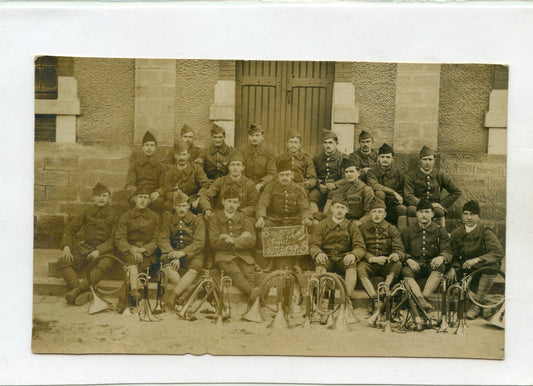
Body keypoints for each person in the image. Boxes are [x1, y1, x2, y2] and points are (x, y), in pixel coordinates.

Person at [57, 183, 118, 305]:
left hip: (106, 250)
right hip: (86, 247)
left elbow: (115, 239)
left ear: (109, 198)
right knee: (64, 261)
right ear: (93, 198)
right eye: (98, 196)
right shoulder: (87, 211)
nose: (101, 198)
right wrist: (67, 246)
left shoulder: (115, 214)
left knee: (104, 265)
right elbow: (71, 228)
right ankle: (80, 291)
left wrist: (99, 251)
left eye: (104, 196)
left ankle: (77, 291)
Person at [447, 200, 504, 319]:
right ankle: (486, 301)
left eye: (472, 214)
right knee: (455, 290)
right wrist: (453, 268)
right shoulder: (457, 233)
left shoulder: (485, 232)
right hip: (465, 270)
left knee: (493, 266)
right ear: (462, 216)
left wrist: (477, 259)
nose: (469, 217)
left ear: (478, 217)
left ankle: (476, 307)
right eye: (466, 214)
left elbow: (498, 252)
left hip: (482, 269)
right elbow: (453, 254)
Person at [255, 159, 313, 269]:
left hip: (293, 219)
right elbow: (262, 203)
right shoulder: (270, 187)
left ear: (292, 175)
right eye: (281, 175)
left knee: (308, 227)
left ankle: (297, 261)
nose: (284, 178)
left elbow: (305, 206)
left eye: (287, 175)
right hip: (275, 219)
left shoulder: (298, 189)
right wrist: (261, 217)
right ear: (277, 176)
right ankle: (270, 260)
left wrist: (306, 218)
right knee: (263, 226)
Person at [400, 199, 452, 311]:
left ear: (432, 214)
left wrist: (441, 257)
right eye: (421, 212)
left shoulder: (440, 231)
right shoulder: (408, 231)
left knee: (441, 266)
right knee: (405, 270)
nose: (424, 215)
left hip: (431, 264)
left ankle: (423, 298)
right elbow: (400, 250)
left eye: (427, 212)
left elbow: (447, 250)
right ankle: (421, 300)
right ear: (416, 214)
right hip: (414, 264)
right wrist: (408, 259)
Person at [209, 189, 259, 304]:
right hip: (224, 257)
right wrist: (242, 239)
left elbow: (252, 241)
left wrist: (233, 240)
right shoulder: (215, 219)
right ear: (223, 202)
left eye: (235, 202)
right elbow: (214, 242)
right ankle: (257, 297)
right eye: (229, 201)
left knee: (250, 276)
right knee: (237, 276)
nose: (232, 205)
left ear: (239, 204)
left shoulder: (244, 219)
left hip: (244, 257)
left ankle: (252, 308)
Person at [158, 191, 205, 311]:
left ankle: (173, 296)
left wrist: (183, 253)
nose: (182, 209)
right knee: (163, 260)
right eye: (179, 206)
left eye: (184, 205)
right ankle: (188, 292)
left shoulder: (197, 220)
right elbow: (163, 238)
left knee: (197, 264)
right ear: (174, 207)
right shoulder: (168, 220)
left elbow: (199, 242)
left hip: (192, 254)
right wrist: (173, 255)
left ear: (189, 206)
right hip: (173, 253)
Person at [115, 186, 161, 309]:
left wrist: (143, 250)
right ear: (135, 199)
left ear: (149, 201)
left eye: (145, 198)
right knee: (132, 263)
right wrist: (132, 249)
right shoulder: (126, 216)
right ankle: (133, 296)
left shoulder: (155, 217)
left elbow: (157, 239)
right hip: (129, 252)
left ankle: (124, 300)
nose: (142, 200)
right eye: (140, 197)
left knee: (141, 269)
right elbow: (120, 238)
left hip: (147, 253)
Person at [310, 198, 366, 298]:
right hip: (327, 257)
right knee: (320, 262)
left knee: (351, 263)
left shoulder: (352, 227)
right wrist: (318, 253)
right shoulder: (322, 225)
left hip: (343, 259)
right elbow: (314, 244)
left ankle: (346, 299)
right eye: (337, 207)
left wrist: (353, 255)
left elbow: (360, 246)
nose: (340, 210)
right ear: (331, 208)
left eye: (343, 208)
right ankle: (321, 297)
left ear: (347, 210)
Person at [357, 199, 404, 313]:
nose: (377, 215)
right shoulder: (362, 229)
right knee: (360, 268)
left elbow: (399, 249)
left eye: (380, 212)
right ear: (369, 214)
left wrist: (396, 254)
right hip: (369, 263)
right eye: (374, 212)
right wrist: (372, 258)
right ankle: (375, 300)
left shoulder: (392, 229)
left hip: (386, 264)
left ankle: (383, 293)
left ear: (385, 214)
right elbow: (359, 248)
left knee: (398, 264)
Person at [404, 145, 462, 228]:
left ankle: (440, 235)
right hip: (417, 205)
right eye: (424, 159)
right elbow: (408, 196)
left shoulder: (439, 175)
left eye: (430, 159)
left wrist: (441, 204)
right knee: (412, 210)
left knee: (438, 212)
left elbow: (456, 191)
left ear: (434, 160)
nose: (427, 162)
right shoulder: (411, 176)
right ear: (420, 161)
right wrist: (426, 204)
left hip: (435, 206)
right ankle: (413, 235)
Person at [200, 152, 259, 220]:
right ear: (229, 167)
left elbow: (254, 205)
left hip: (241, 217)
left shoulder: (249, 184)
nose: (235, 168)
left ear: (243, 167)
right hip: (221, 216)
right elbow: (206, 196)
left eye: (238, 165)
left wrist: (239, 213)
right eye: (233, 165)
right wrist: (208, 210)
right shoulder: (220, 181)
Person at [160, 140, 210, 213]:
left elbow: (206, 184)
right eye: (179, 155)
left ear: (188, 155)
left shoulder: (196, 168)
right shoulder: (169, 172)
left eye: (184, 154)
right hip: (177, 201)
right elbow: (167, 189)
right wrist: (178, 195)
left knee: (202, 206)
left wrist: (198, 198)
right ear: (175, 155)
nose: (181, 157)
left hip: (194, 200)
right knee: (167, 205)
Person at [366, 143, 407, 231]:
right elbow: (375, 185)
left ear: (392, 159)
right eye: (382, 157)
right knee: (380, 193)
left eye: (388, 157)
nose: (385, 159)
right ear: (378, 158)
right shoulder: (372, 172)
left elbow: (402, 189)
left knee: (402, 209)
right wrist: (393, 192)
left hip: (393, 203)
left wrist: (398, 197)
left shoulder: (398, 173)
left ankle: (401, 237)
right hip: (377, 204)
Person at [324, 157, 374, 225]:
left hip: (358, 222)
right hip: (341, 221)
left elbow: (370, 211)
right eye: (346, 172)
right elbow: (333, 209)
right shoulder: (341, 189)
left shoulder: (366, 190)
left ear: (358, 173)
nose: (349, 174)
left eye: (351, 171)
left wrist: (360, 222)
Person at [125, 130, 167, 212]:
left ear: (155, 148)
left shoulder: (161, 166)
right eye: (147, 145)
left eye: (152, 145)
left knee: (159, 202)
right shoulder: (135, 165)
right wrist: (138, 195)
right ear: (142, 148)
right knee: (134, 201)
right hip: (138, 193)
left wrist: (158, 193)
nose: (149, 148)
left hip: (153, 194)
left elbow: (164, 185)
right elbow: (129, 184)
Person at [309, 130, 346, 213]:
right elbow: (313, 175)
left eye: (330, 143)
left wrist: (335, 184)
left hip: (336, 188)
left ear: (336, 144)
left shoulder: (343, 158)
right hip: (321, 187)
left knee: (331, 195)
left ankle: (324, 219)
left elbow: (346, 178)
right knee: (312, 196)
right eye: (325, 143)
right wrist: (319, 184)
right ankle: (316, 220)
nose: (327, 145)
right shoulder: (317, 158)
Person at [241, 123, 277, 192]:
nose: (254, 138)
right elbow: (241, 172)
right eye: (252, 135)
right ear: (248, 137)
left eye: (257, 135)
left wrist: (261, 184)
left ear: (262, 137)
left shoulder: (269, 153)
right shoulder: (242, 152)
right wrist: (249, 184)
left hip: (264, 187)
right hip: (245, 186)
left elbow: (272, 173)